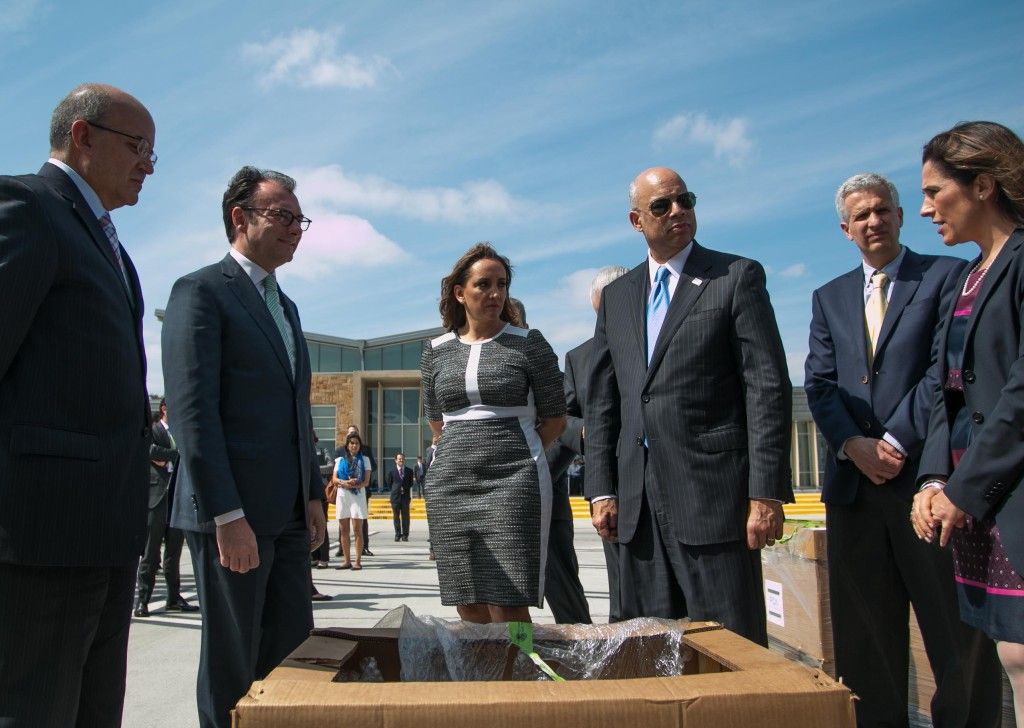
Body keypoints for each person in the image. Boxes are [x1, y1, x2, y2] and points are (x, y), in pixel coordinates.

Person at [805, 173, 998, 727]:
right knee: (865, 641)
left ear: (899, 215)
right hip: (855, 493)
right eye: (861, 215)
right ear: (845, 230)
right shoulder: (828, 297)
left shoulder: (947, 276)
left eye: (882, 210)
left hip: (926, 484)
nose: (874, 221)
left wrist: (891, 441)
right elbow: (819, 383)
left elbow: (944, 371)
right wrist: (852, 444)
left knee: (955, 636)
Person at [585, 167, 792, 645]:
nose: (678, 211)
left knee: (730, 648)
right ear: (637, 220)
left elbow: (766, 388)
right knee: (650, 649)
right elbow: (603, 404)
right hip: (637, 508)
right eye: (662, 205)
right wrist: (600, 490)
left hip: (714, 502)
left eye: (686, 200)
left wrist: (766, 493)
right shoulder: (617, 297)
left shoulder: (735, 276)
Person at [0, 83, 154, 728]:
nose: (147, 165)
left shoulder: (112, 246)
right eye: (137, 146)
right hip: (43, 532)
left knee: (93, 710)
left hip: (106, 531)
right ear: (82, 135)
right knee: (35, 709)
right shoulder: (28, 207)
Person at [162, 166, 326, 728]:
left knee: (291, 658)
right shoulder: (201, 292)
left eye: (300, 219)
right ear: (240, 217)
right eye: (282, 216)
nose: (295, 229)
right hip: (232, 517)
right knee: (233, 661)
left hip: (288, 516)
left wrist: (312, 495)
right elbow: (193, 414)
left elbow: (296, 411)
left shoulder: (287, 307)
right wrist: (226, 513)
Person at [911, 121, 1024, 725]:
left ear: (983, 185)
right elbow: (944, 391)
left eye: (935, 191)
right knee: (1011, 649)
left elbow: (1019, 396)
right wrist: (934, 478)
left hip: (1007, 490)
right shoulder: (968, 275)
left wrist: (965, 487)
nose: (926, 209)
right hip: (977, 498)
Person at [421, 243, 566, 623]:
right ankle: (480, 661)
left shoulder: (529, 344)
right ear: (460, 293)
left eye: (502, 284)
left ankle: (522, 659)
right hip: (450, 485)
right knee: (466, 596)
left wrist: (519, 454)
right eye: (483, 284)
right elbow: (436, 422)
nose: (495, 293)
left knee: (509, 598)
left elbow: (555, 420)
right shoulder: (434, 351)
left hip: (513, 483)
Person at [548, 265, 628, 622]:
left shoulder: (668, 341)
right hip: (611, 491)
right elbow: (563, 420)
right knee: (622, 593)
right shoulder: (579, 359)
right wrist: (591, 432)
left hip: (672, 487)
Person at [135, 399, 199, 617]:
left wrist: (167, 456)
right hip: (157, 497)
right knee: (151, 552)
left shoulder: (179, 431)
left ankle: (174, 598)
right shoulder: (155, 430)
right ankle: (143, 600)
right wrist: (175, 454)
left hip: (176, 497)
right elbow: (151, 450)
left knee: (174, 552)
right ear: (164, 408)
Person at [331, 432, 370, 569]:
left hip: (358, 496)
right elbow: (334, 479)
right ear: (347, 445)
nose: (354, 445)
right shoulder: (339, 460)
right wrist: (344, 483)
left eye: (357, 443)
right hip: (343, 496)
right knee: (344, 530)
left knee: (357, 529)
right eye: (352, 443)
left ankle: (357, 561)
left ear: (360, 445)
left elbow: (366, 482)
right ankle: (346, 561)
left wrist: (353, 485)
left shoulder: (365, 460)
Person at [336, 425, 375, 556]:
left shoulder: (365, 451)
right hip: (343, 492)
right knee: (343, 524)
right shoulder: (340, 452)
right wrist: (345, 482)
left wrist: (359, 477)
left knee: (361, 523)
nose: (354, 445)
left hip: (359, 491)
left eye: (355, 433)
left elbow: (372, 467)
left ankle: (364, 548)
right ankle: (342, 549)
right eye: (350, 433)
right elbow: (335, 473)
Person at [386, 453, 414, 541]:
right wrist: (396, 489)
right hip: (395, 498)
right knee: (396, 517)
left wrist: (404, 488)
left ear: (404, 460)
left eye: (402, 459)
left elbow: (411, 483)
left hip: (405, 497)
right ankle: (397, 534)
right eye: (399, 459)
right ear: (395, 460)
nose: (401, 460)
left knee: (406, 517)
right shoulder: (391, 471)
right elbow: (389, 484)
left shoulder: (409, 471)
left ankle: (405, 535)